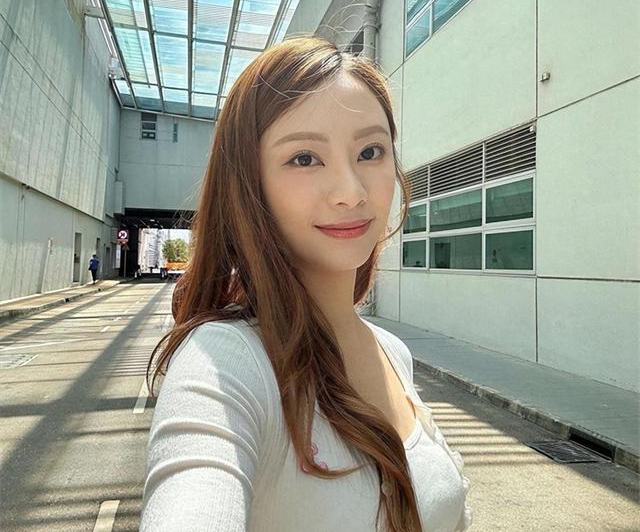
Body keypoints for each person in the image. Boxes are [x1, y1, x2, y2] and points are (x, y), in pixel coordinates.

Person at [141, 36, 472, 531]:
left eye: (370, 151)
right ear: (249, 183)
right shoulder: (228, 361)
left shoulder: (392, 352)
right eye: (304, 158)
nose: (350, 192)